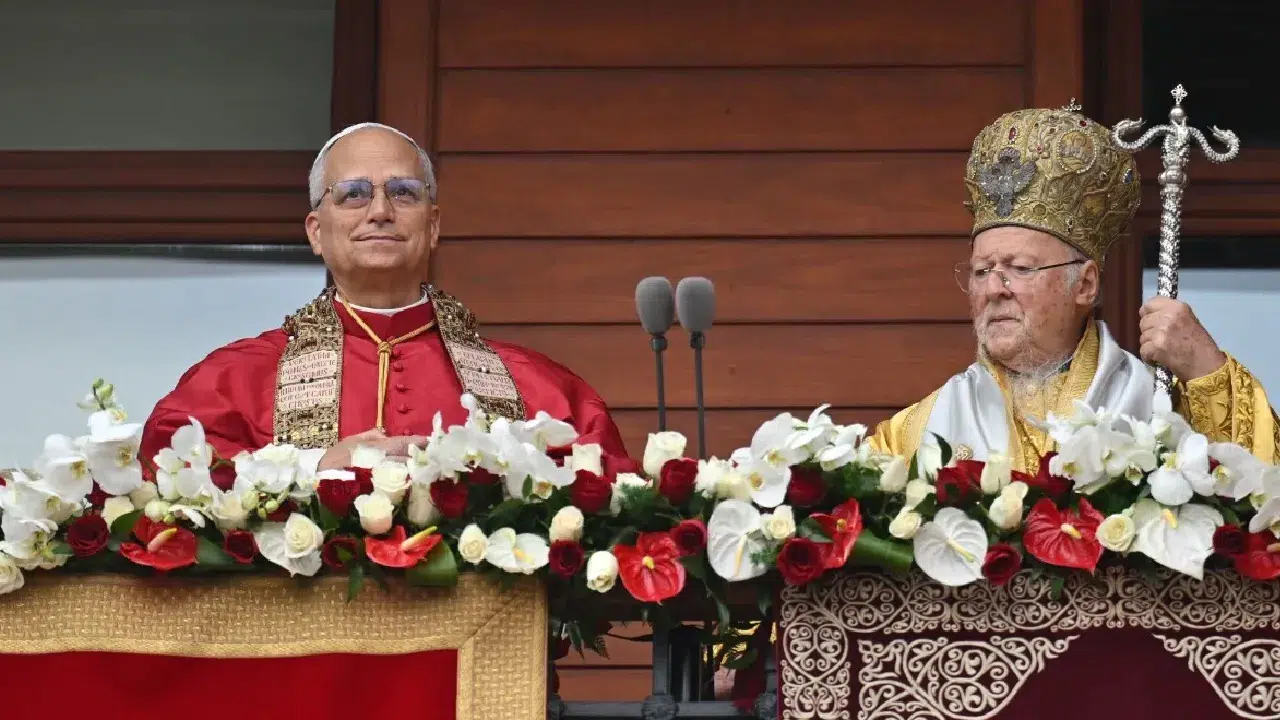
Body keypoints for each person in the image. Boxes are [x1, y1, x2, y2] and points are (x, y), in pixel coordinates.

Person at [141, 123, 635, 475]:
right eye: (353, 194)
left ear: (434, 224)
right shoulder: (236, 379)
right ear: (316, 231)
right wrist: (314, 468)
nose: (379, 211)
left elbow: (605, 481)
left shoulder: (542, 390)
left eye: (403, 193)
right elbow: (166, 470)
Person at [871, 104, 1277, 472]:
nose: (994, 288)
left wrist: (1205, 368)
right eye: (981, 271)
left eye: (1020, 268)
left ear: (1084, 284)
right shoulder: (911, 435)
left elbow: (1259, 491)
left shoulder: (1154, 406)